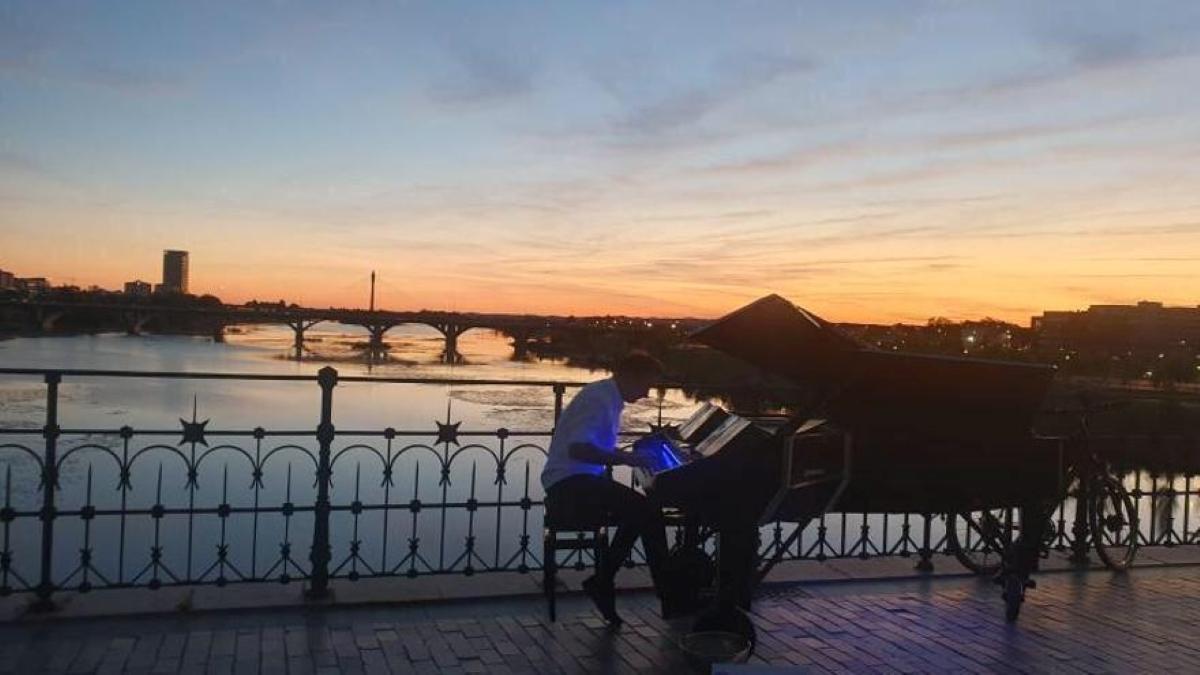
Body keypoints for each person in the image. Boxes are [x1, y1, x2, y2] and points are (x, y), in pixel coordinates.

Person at [541, 351, 669, 625]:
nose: (647, 393)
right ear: (630, 375)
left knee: (642, 512)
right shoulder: (599, 400)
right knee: (647, 512)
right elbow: (579, 449)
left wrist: (625, 455)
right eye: (646, 384)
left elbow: (590, 446)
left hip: (578, 481)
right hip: (569, 485)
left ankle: (605, 580)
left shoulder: (607, 397)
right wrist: (628, 458)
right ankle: (667, 593)